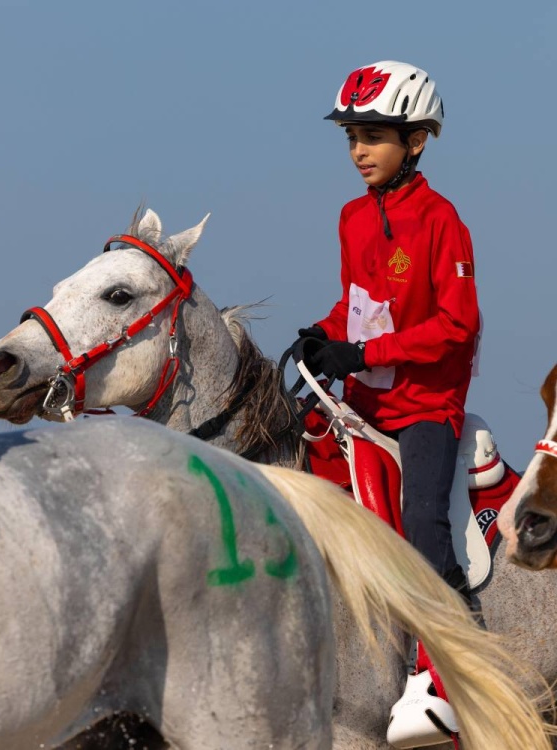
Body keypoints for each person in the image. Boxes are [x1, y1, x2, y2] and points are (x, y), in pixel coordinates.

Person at [294, 60, 480, 746]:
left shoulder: (441, 220)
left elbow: (457, 327)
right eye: (351, 138)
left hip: (426, 407)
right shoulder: (352, 216)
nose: (359, 152)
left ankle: (450, 677)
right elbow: (359, 305)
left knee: (425, 525)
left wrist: (365, 354)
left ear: (418, 141)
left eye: (373, 136)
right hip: (362, 406)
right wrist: (327, 334)